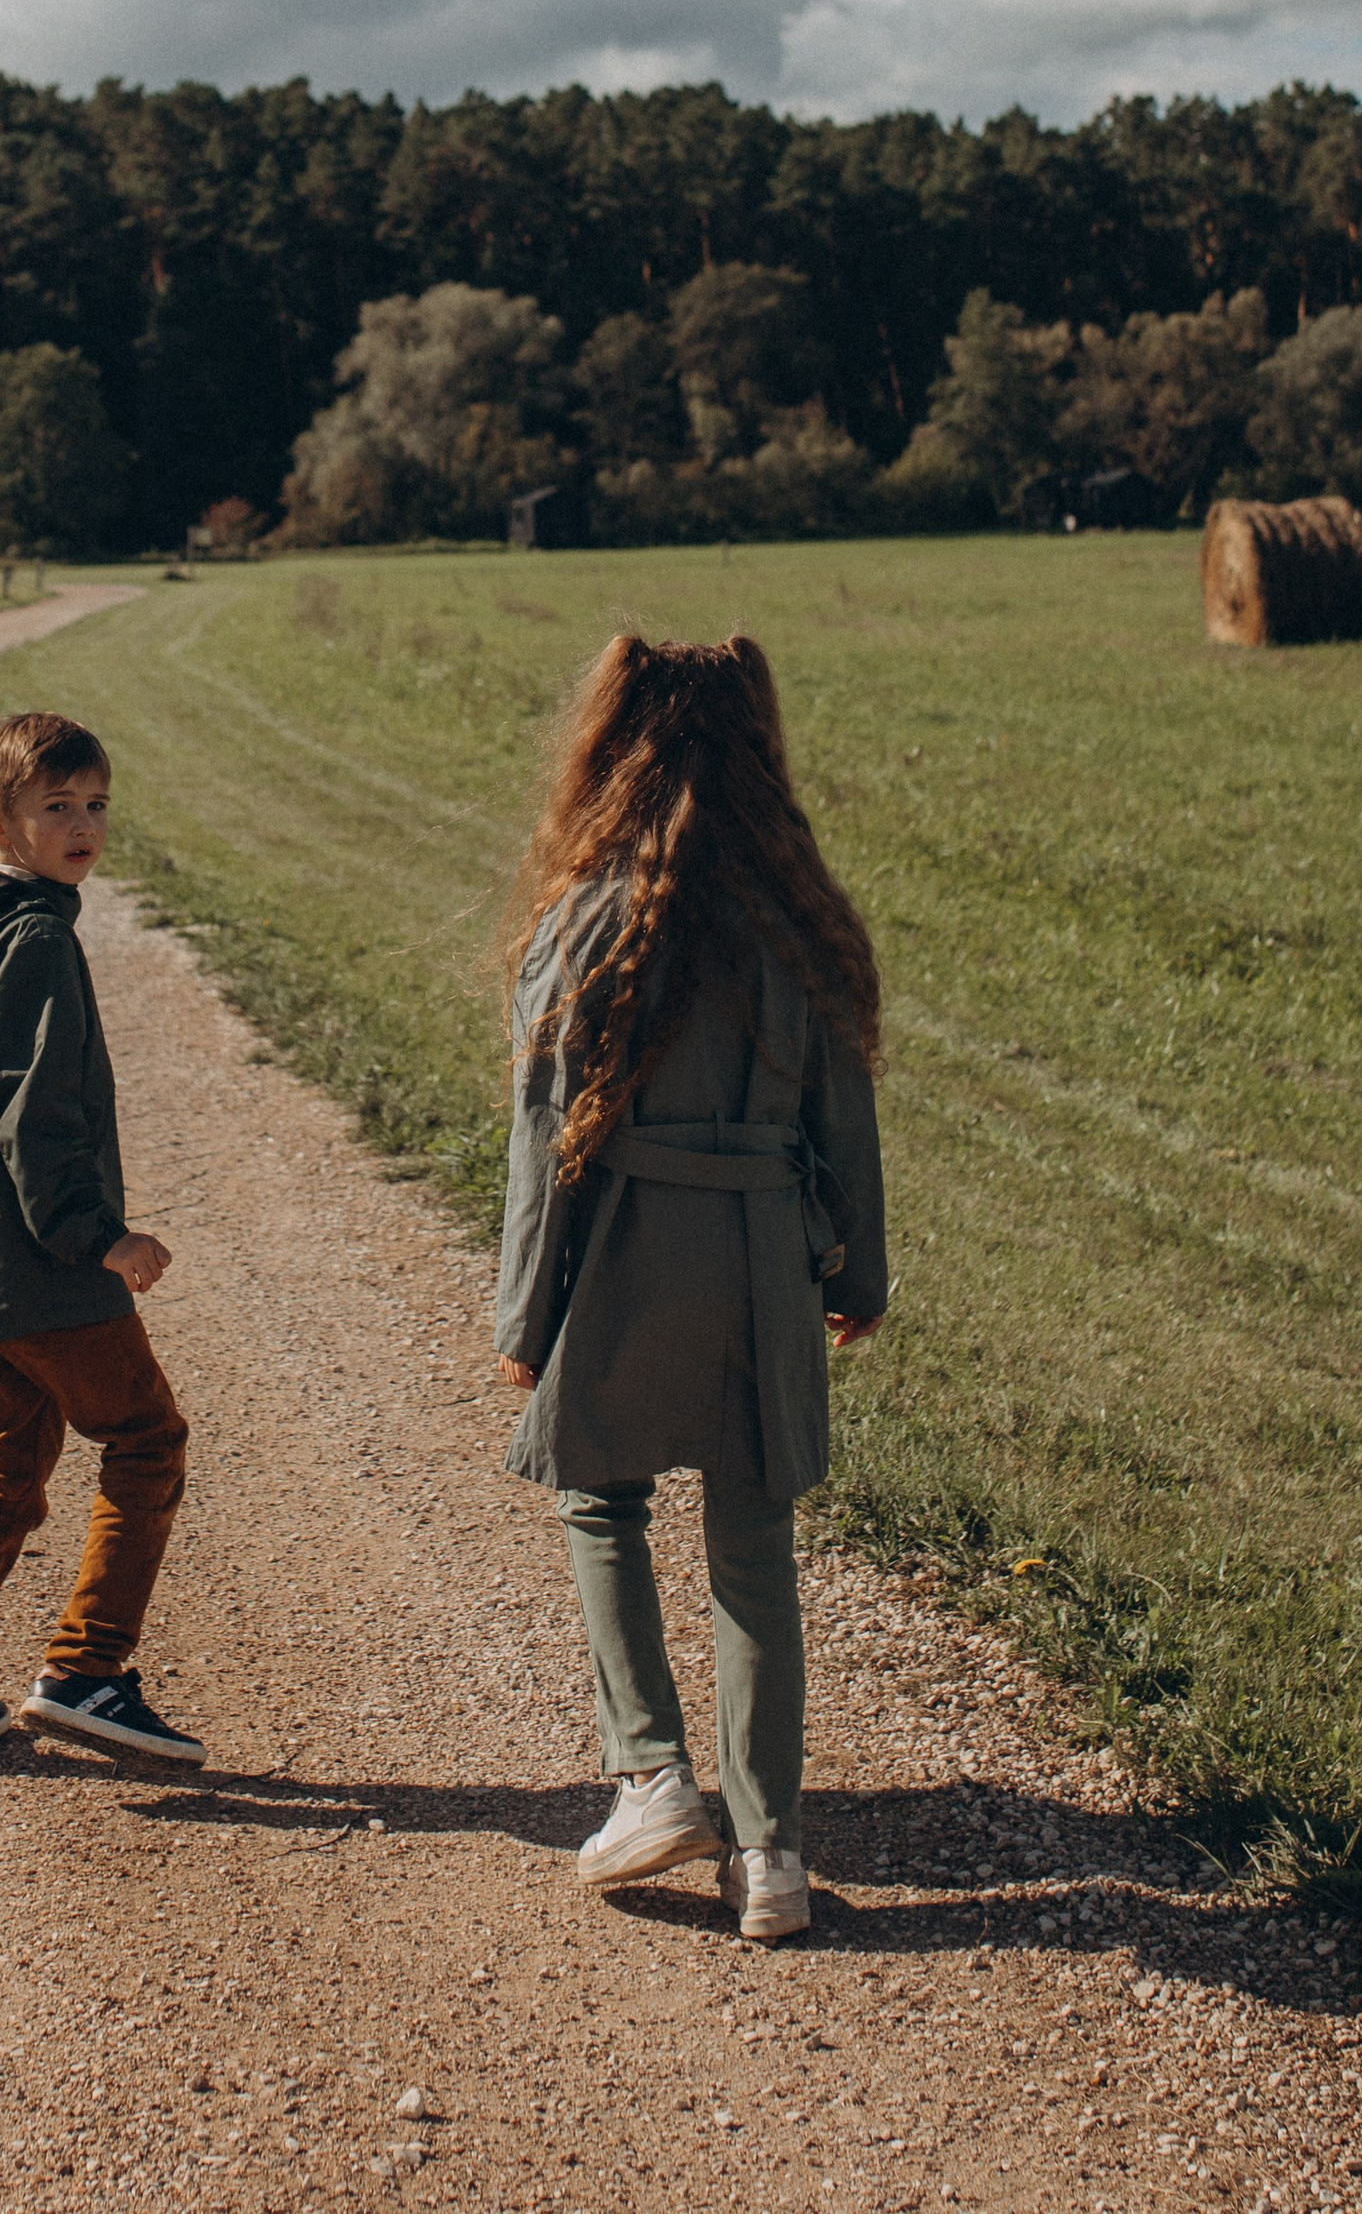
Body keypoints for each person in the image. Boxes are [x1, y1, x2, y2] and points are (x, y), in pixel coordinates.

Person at [492, 630, 886, 1943]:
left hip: (623, 1245)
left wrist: (526, 1318)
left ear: (612, 745)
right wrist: (860, 1270)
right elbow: (849, 1120)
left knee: (602, 1501)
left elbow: (543, 1141)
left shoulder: (584, 918)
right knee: (753, 1547)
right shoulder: (803, 922)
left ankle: (652, 1772)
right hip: (767, 1252)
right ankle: (769, 1852)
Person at [0, 707, 203, 1772]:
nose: (81, 825)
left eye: (95, 804)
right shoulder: (37, 938)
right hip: (45, 1267)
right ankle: (88, 1667)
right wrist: (98, 1236)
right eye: (54, 807)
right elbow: (35, 1109)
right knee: (146, 1440)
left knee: (5, 1471)